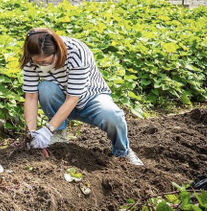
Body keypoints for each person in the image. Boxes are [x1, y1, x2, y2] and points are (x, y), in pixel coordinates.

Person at [20, 28, 144, 166]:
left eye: (45, 62)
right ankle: (59, 134)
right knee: (46, 88)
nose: (41, 66)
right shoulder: (31, 59)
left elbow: (73, 98)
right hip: (60, 98)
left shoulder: (76, 52)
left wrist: (47, 130)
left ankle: (123, 152)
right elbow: (31, 96)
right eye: (38, 62)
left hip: (90, 96)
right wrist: (30, 134)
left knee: (112, 116)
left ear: (57, 51)